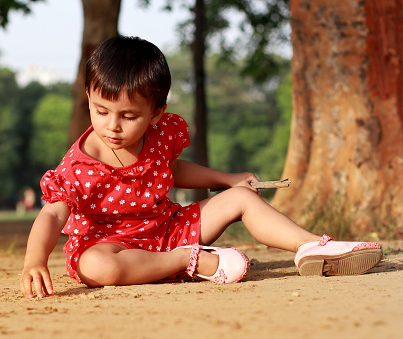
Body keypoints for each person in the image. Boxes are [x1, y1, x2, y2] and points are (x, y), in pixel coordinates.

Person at [20, 36, 383, 298]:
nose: (113, 126)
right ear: (88, 97)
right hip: (111, 247)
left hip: (168, 229)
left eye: (129, 116)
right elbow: (52, 215)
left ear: (156, 112)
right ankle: (188, 261)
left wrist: (225, 180)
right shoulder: (79, 166)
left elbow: (172, 171)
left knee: (240, 198)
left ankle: (311, 247)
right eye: (101, 111)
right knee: (96, 269)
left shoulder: (160, 136)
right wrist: (34, 260)